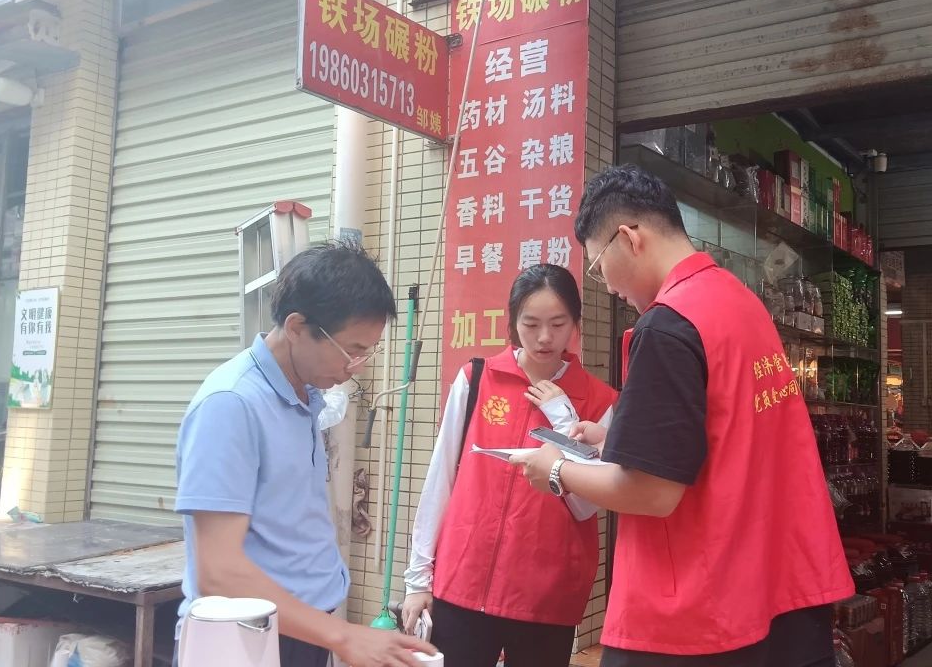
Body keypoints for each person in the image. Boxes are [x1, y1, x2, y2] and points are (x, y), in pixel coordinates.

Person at [511, 165, 854, 667]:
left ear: (629, 239)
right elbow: (727, 432)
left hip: (698, 611)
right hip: (779, 591)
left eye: (598, 266)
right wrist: (614, 437)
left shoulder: (668, 325)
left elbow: (652, 493)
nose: (607, 287)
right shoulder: (741, 303)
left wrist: (558, 470)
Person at [174, 242, 432, 667]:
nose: (358, 366)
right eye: (352, 349)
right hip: (244, 639)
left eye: (368, 351)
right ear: (296, 326)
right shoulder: (231, 404)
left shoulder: (304, 395)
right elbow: (217, 572)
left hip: (297, 627)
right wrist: (344, 636)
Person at [400, 265, 617, 667]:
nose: (545, 337)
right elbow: (441, 477)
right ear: (513, 322)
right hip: (463, 583)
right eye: (531, 324)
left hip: (546, 597)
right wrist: (418, 579)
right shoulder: (477, 379)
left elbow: (587, 506)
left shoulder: (600, 400)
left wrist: (563, 418)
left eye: (558, 324)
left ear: (576, 323)